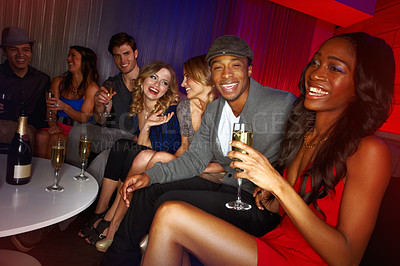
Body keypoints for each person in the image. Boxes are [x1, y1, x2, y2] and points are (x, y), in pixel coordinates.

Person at [142, 32, 395, 265]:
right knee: (168, 223)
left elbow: (347, 258)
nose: (316, 74)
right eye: (315, 63)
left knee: (170, 215)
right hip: (275, 241)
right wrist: (270, 199)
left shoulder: (371, 150)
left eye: (335, 68)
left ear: (363, 83)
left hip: (306, 260)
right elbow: (289, 209)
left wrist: (277, 184)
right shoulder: (304, 135)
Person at [101, 35, 297, 265]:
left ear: (250, 69)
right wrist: (148, 175)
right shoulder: (214, 110)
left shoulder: (282, 103)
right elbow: (193, 160)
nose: (226, 74)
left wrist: (277, 187)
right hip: (225, 188)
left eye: (235, 65)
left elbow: (303, 153)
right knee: (149, 189)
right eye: (218, 67)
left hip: (254, 202)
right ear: (211, 74)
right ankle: (118, 259)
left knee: (168, 201)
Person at [95, 54, 225, 252]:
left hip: (213, 174)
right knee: (143, 156)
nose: (183, 83)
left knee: (157, 156)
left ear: (202, 78)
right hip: (188, 165)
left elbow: (227, 163)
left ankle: (120, 228)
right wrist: (180, 163)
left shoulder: (222, 112)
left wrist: (185, 165)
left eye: (188, 77)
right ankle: (114, 228)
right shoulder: (184, 108)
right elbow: (183, 148)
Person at [79, 61, 181, 247]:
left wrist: (148, 125)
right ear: (142, 81)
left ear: (168, 90)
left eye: (164, 83)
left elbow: (153, 150)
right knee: (120, 146)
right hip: (145, 154)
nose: (157, 85)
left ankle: (109, 218)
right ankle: (100, 211)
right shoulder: (139, 105)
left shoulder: (169, 111)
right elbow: (138, 141)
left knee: (132, 150)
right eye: (154, 77)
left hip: (163, 162)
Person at [66, 32, 140, 183]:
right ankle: (69, 180)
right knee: (77, 131)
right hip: (112, 135)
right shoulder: (111, 83)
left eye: (126, 54)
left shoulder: (150, 81)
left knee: (105, 159)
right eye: (117, 56)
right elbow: (100, 120)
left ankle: (84, 192)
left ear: (136, 53)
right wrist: (100, 106)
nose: (122, 60)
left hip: (134, 138)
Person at [34, 46, 99, 159]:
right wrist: (53, 125)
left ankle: (52, 175)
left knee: (57, 139)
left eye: (73, 55)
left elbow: (84, 118)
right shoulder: (58, 82)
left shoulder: (92, 88)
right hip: (56, 125)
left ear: (85, 61)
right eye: (68, 55)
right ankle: (38, 175)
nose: (68, 58)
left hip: (75, 131)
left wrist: (64, 107)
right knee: (41, 136)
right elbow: (50, 109)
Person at [0, 26, 50, 150]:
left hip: (30, 128)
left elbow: (46, 112)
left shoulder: (42, 79)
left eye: (25, 49)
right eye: (13, 49)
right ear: (4, 52)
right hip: (3, 124)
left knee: (26, 133)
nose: (21, 54)